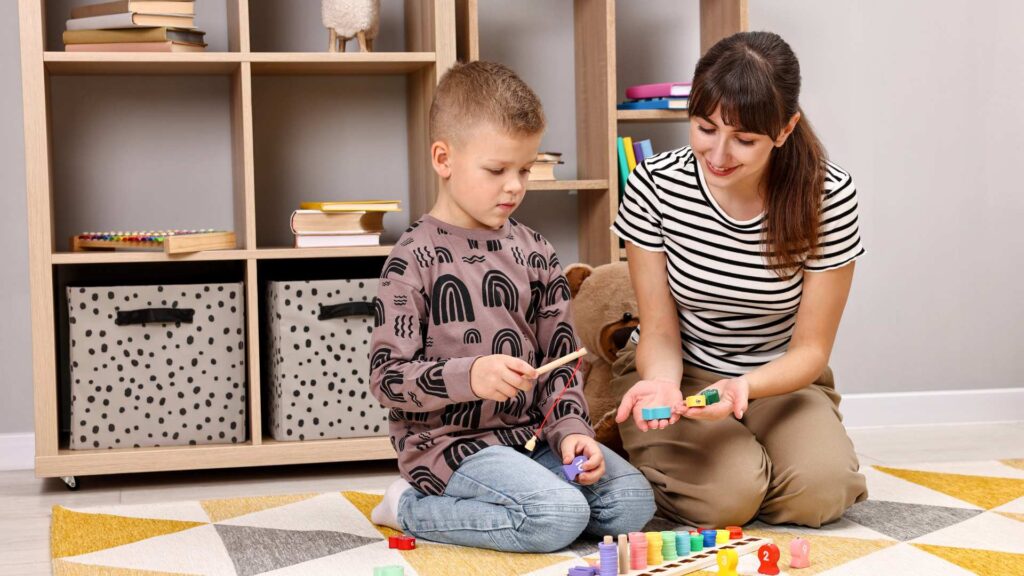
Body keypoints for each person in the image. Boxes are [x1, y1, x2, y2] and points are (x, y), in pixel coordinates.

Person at [367, 60, 655, 553]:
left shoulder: (536, 251)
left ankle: (530, 505)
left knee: (631, 503)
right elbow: (387, 380)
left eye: (525, 169)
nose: (515, 186)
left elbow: (563, 364)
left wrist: (570, 433)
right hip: (448, 445)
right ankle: (409, 507)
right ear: (444, 158)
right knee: (556, 515)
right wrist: (471, 375)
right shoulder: (411, 260)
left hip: (531, 436)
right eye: (497, 170)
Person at [611, 31, 868, 528]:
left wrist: (742, 389)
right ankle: (733, 473)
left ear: (786, 128)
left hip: (779, 380)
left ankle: (751, 466)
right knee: (727, 502)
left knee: (821, 493)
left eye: (745, 139)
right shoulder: (654, 185)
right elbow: (660, 329)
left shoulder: (828, 197)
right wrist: (662, 384)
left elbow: (811, 351)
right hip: (680, 373)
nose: (719, 154)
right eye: (705, 128)